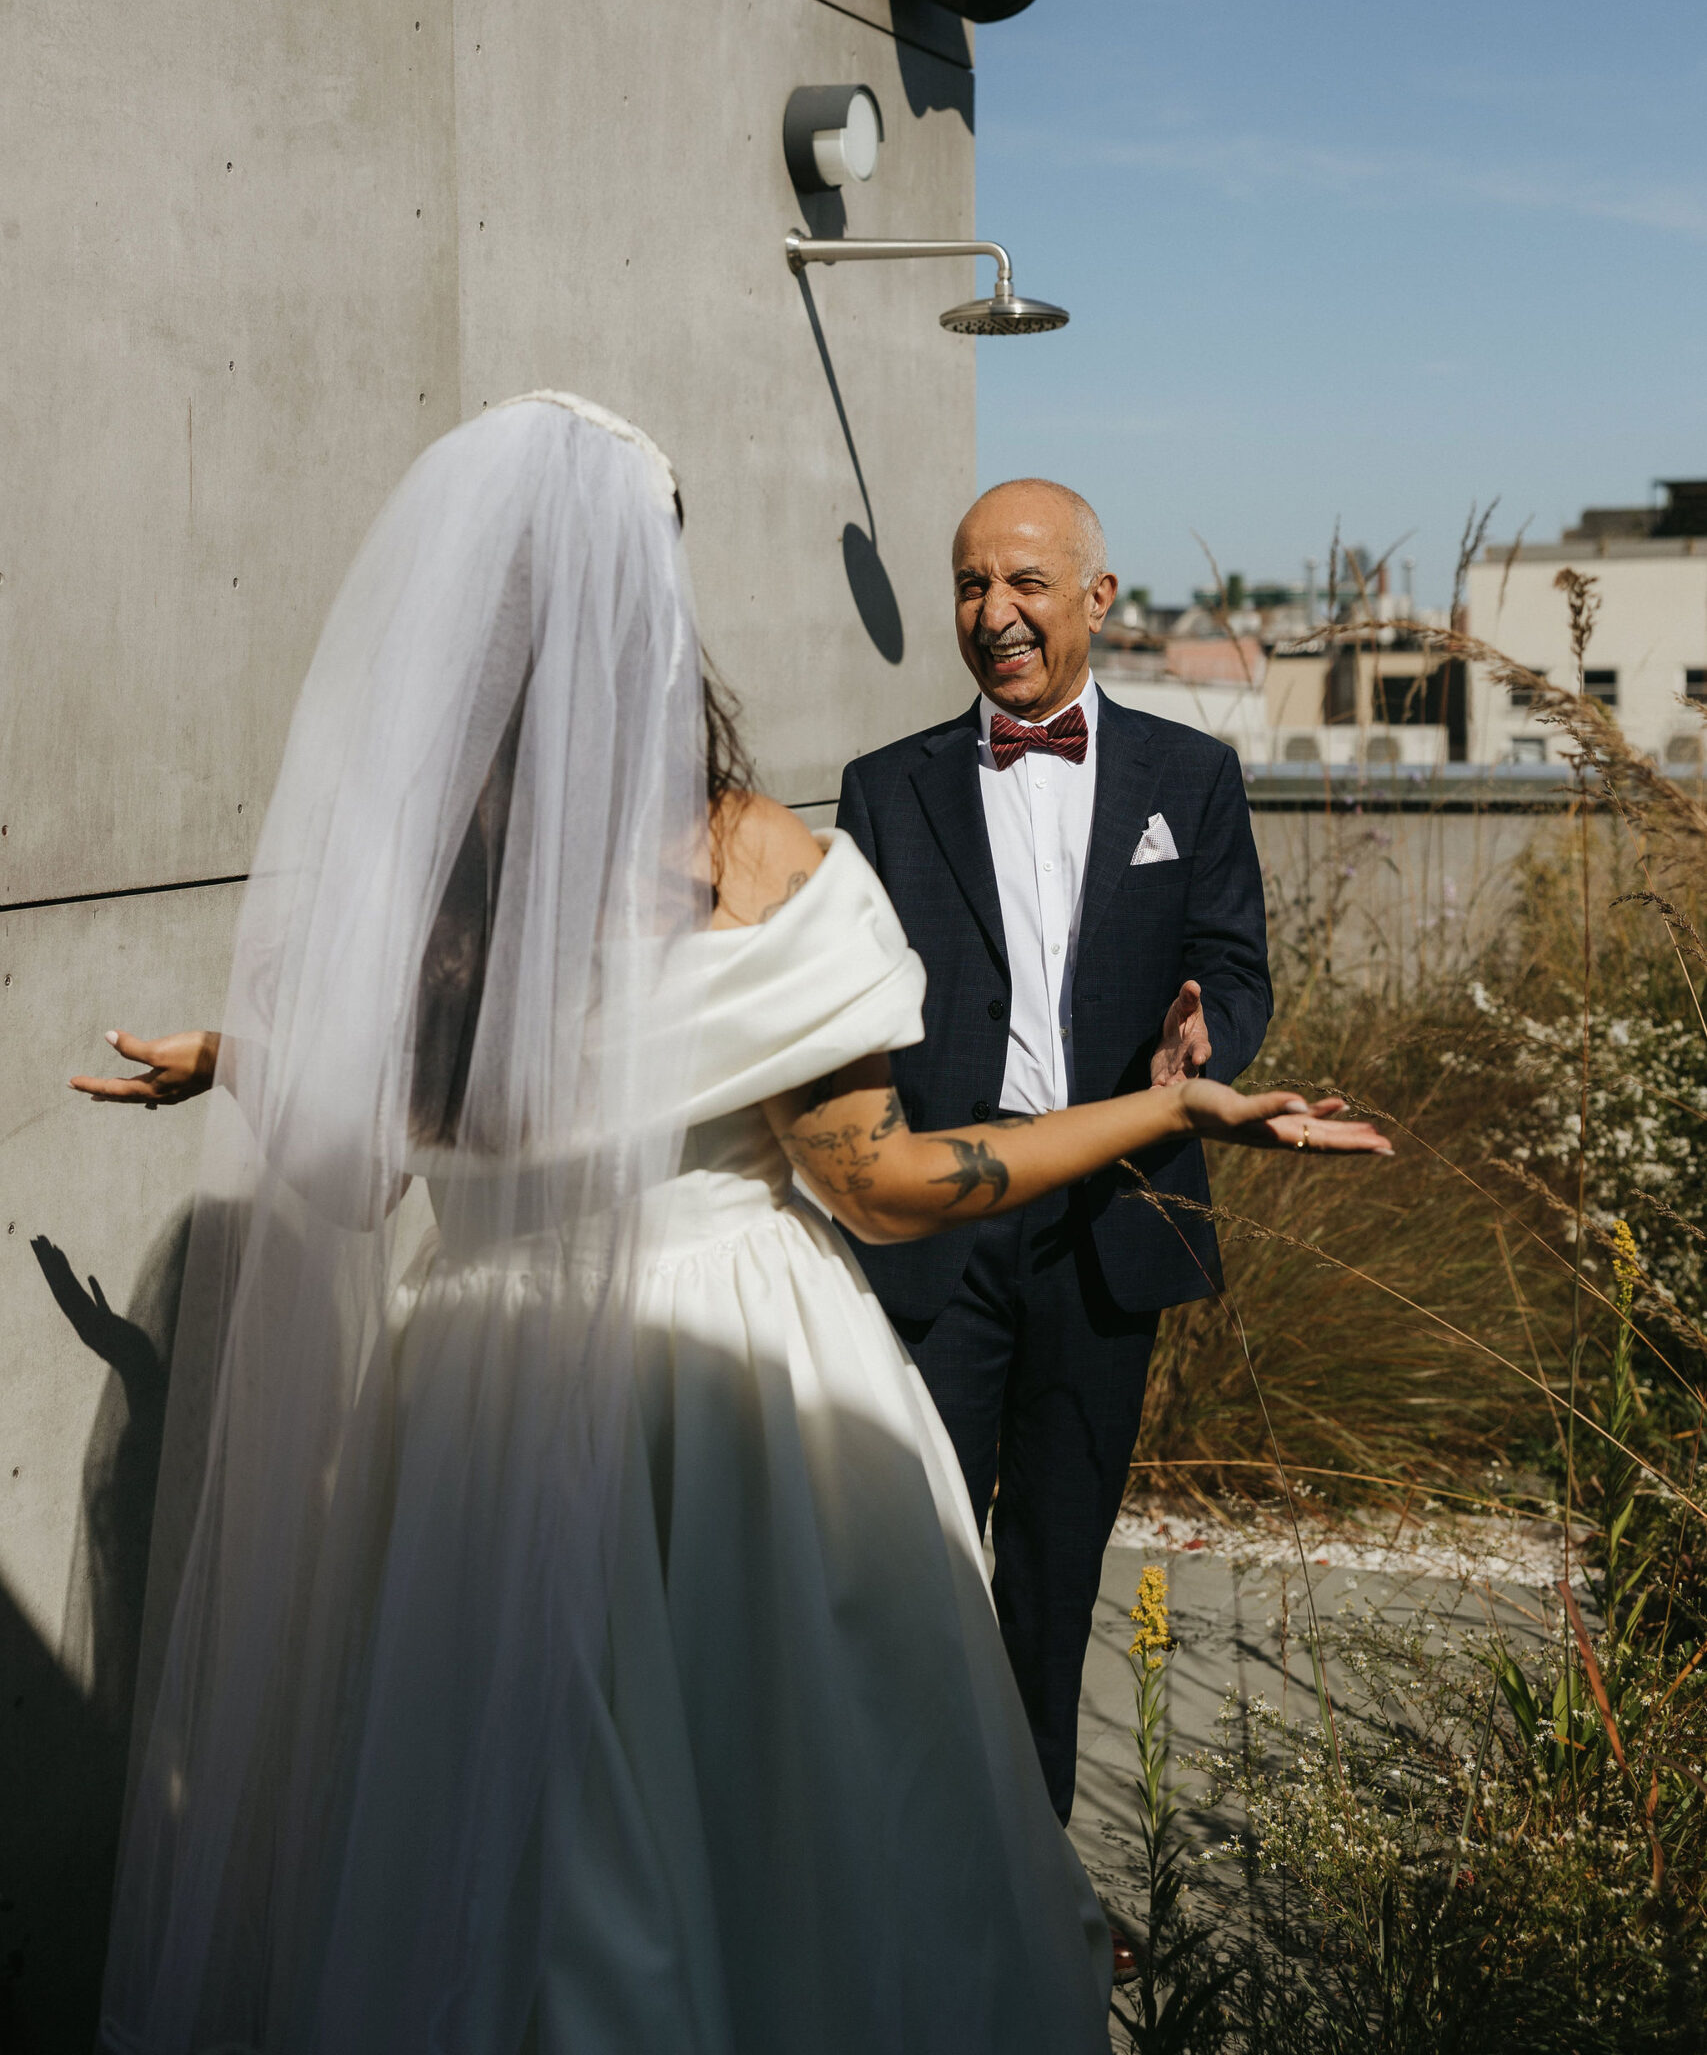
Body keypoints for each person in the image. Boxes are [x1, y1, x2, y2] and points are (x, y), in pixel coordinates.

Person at [75, 398, 1384, 2055]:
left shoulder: (419, 883)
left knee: (505, 1842)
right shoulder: (754, 855)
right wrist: (1170, 1111)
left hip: (466, 1390)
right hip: (726, 1385)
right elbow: (880, 1183)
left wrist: (248, 1060)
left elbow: (360, 1176)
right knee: (791, 1820)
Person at [836, 478, 1272, 1824]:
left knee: (1054, 1573)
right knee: (913, 1563)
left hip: (1111, 1218)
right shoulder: (884, 789)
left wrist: (1208, 1036)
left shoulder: (1189, 777)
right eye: (971, 584)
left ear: (1097, 596)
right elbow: (845, 1004)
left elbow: (1232, 965)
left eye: (1025, 582)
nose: (994, 612)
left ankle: (1028, 1879)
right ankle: (905, 1862)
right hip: (941, 1222)